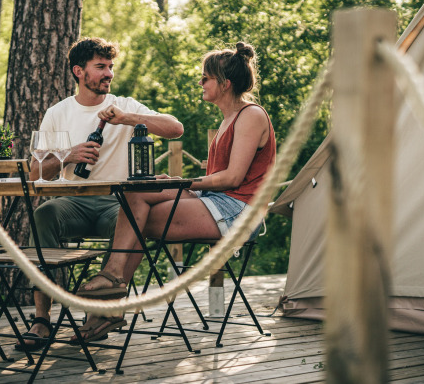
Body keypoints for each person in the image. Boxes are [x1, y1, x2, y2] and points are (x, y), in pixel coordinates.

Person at [73, 41, 276, 342]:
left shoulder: (251, 115)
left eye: (206, 78)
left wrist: (182, 184)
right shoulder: (228, 119)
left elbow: (232, 179)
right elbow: (219, 179)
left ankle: (111, 297)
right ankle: (112, 285)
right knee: (135, 193)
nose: (200, 82)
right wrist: (175, 181)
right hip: (216, 201)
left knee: (142, 218)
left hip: (239, 210)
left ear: (225, 84)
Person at [16, 37, 184, 350]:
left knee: (134, 220)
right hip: (72, 202)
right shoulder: (58, 113)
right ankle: (41, 318)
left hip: (117, 205)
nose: (109, 73)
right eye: (100, 67)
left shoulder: (125, 106)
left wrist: (127, 118)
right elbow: (35, 172)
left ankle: (99, 314)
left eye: (110, 67)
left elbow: (176, 128)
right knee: (44, 214)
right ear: (79, 72)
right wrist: (68, 155)